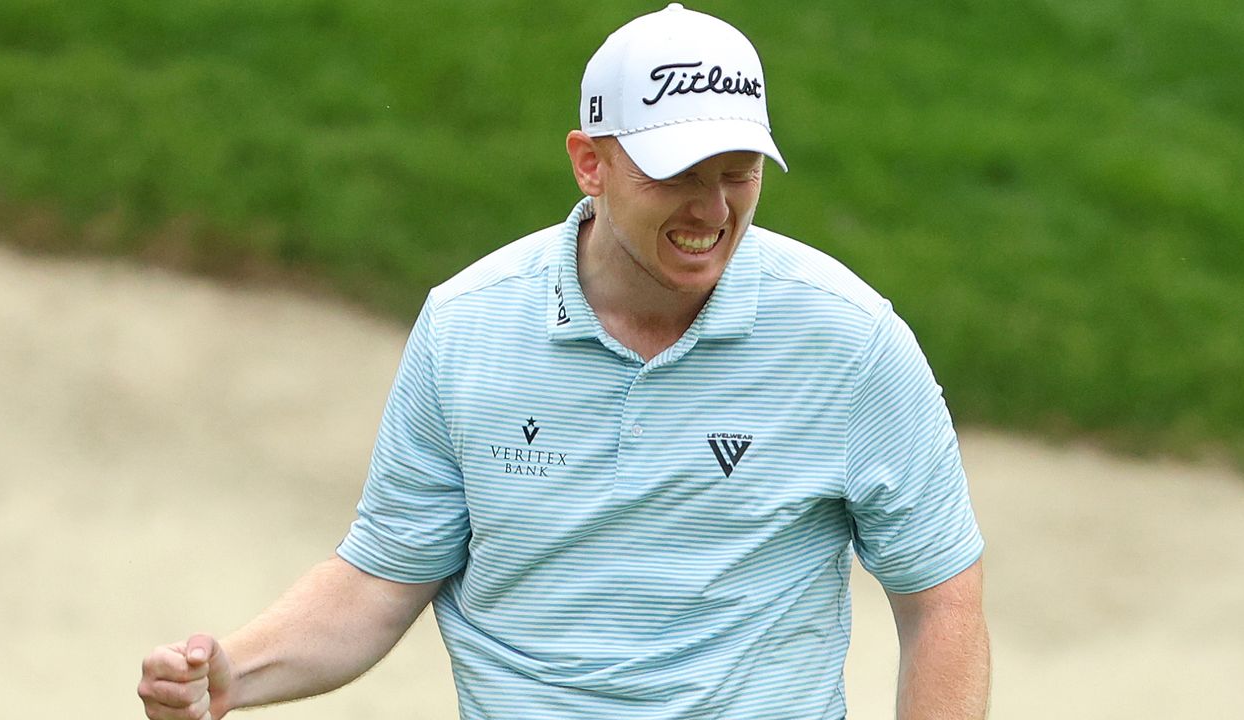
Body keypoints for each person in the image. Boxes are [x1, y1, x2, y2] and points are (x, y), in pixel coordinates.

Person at [138, 4, 989, 719]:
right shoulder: (467, 327)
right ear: (591, 162)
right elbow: (383, 576)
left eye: (738, 175)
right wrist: (231, 676)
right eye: (677, 175)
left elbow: (941, 598)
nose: (712, 209)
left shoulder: (848, 339)